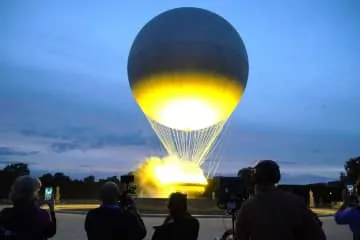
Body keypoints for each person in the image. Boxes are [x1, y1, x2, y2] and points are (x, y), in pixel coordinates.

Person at [236, 160, 326, 240]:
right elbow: (318, 234)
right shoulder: (295, 202)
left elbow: (241, 236)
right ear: (277, 177)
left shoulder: (248, 207)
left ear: (255, 179)